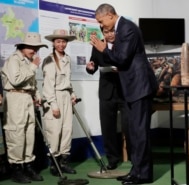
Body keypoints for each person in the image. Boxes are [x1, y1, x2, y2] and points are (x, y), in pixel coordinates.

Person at [90, 3, 158, 185]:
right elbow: (121, 56)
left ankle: (143, 175)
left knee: (139, 133)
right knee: (135, 133)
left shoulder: (127, 28)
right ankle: (136, 172)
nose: (101, 25)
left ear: (110, 15)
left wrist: (104, 48)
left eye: (101, 21)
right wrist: (106, 49)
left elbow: (121, 58)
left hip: (139, 87)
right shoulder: (122, 28)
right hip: (133, 88)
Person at [1, 32, 47, 183]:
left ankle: (28, 166)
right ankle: (17, 169)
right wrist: (33, 66)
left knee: (29, 133)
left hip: (27, 97)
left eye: (37, 47)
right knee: (16, 133)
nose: (35, 50)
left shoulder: (28, 61)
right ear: (23, 46)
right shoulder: (14, 59)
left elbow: (31, 82)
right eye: (32, 47)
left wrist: (37, 95)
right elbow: (15, 80)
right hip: (15, 97)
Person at [86, 27, 130, 170]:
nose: (109, 35)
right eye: (106, 32)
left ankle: (135, 157)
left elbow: (131, 64)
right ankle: (112, 159)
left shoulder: (124, 45)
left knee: (129, 126)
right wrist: (90, 67)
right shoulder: (97, 45)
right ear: (102, 33)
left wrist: (122, 69)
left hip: (125, 91)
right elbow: (93, 64)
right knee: (107, 128)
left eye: (112, 32)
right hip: (106, 92)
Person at [42, 29, 78, 176]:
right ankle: (54, 164)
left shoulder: (67, 58)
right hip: (54, 97)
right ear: (53, 43)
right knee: (54, 131)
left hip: (66, 96)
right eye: (58, 41)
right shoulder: (49, 60)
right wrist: (53, 104)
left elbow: (67, 81)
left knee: (67, 130)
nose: (61, 44)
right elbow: (48, 84)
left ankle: (64, 162)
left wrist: (72, 94)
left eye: (64, 41)